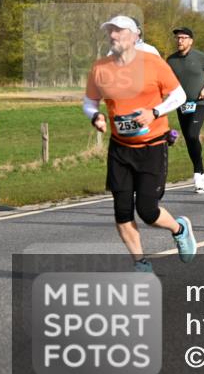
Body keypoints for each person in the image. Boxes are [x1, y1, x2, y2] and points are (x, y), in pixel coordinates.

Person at [83, 15, 196, 271]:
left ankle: (179, 229)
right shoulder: (101, 68)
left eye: (120, 32)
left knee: (147, 211)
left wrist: (155, 112)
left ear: (135, 37)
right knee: (122, 212)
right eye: (110, 32)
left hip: (152, 146)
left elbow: (179, 95)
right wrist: (96, 116)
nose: (113, 36)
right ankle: (141, 264)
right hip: (120, 148)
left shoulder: (153, 63)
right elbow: (89, 101)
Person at [166, 26, 204, 194]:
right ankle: (202, 172)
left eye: (183, 37)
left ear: (191, 40)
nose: (180, 40)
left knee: (191, 134)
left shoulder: (200, 57)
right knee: (190, 139)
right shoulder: (170, 60)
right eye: (177, 38)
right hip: (182, 105)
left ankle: (198, 174)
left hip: (200, 103)